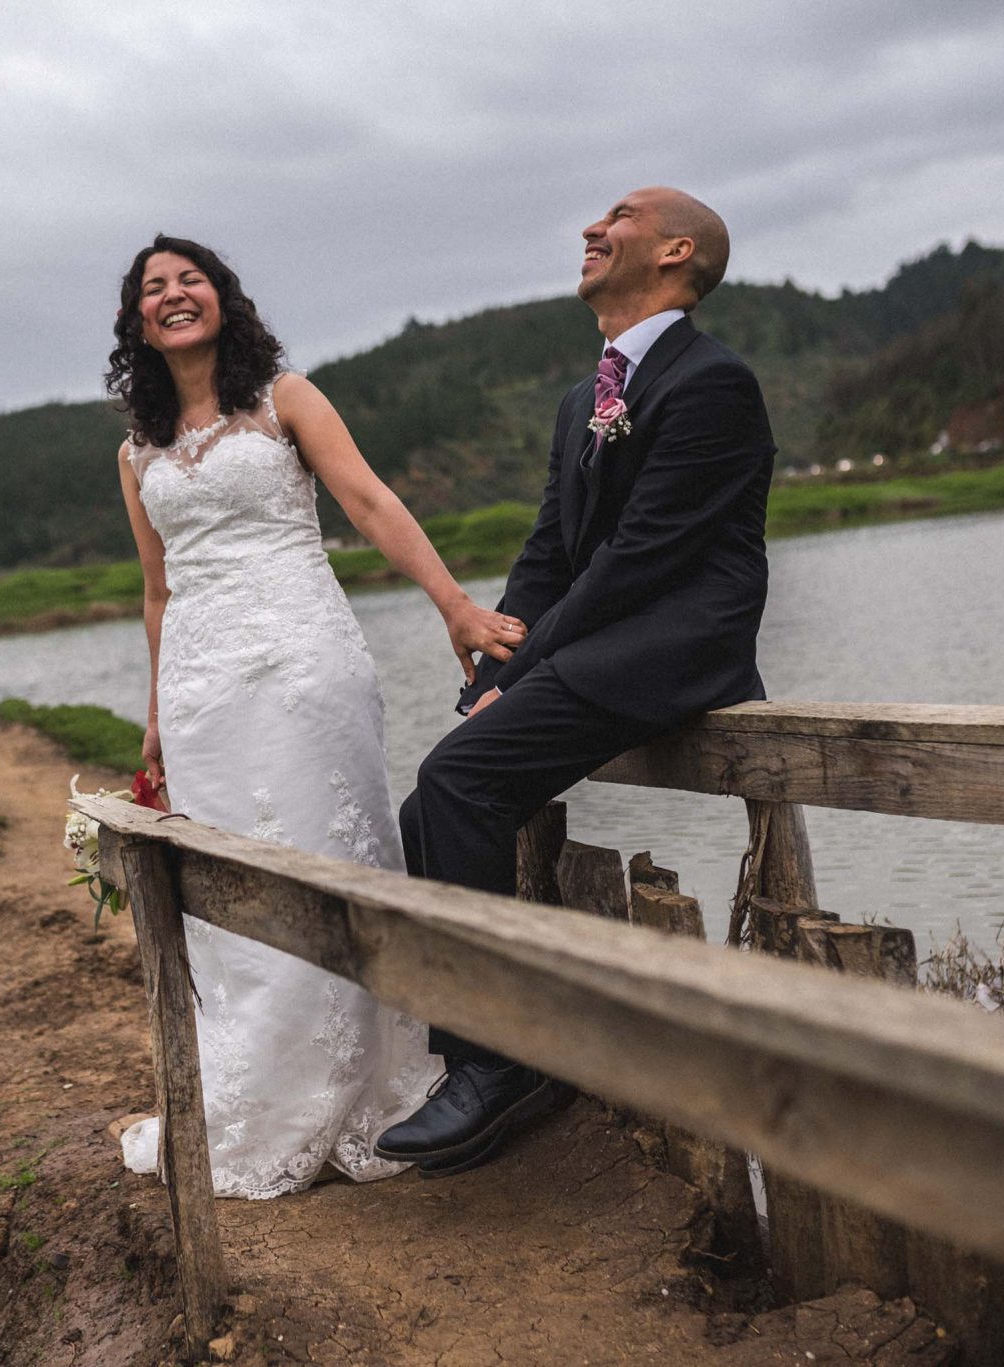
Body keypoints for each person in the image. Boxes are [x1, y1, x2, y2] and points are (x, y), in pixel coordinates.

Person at [108, 233, 526, 1198]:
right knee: (235, 875)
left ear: (222, 298)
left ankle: (373, 1081)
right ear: (138, 321)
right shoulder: (136, 452)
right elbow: (157, 592)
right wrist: (158, 713)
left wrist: (454, 604)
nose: (173, 295)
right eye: (153, 289)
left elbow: (371, 502)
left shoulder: (286, 398)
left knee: (332, 848)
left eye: (190, 280)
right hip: (204, 687)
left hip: (305, 657)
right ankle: (261, 1088)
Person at [377, 187, 776, 1177]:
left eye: (619, 216)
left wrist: (535, 666)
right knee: (434, 801)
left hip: (674, 644)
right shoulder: (581, 399)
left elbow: (642, 558)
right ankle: (508, 1046)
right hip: (598, 642)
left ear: (675, 252)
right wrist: (497, 663)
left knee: (459, 781)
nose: (592, 230)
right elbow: (551, 549)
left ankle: (494, 1061)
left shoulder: (711, 381)